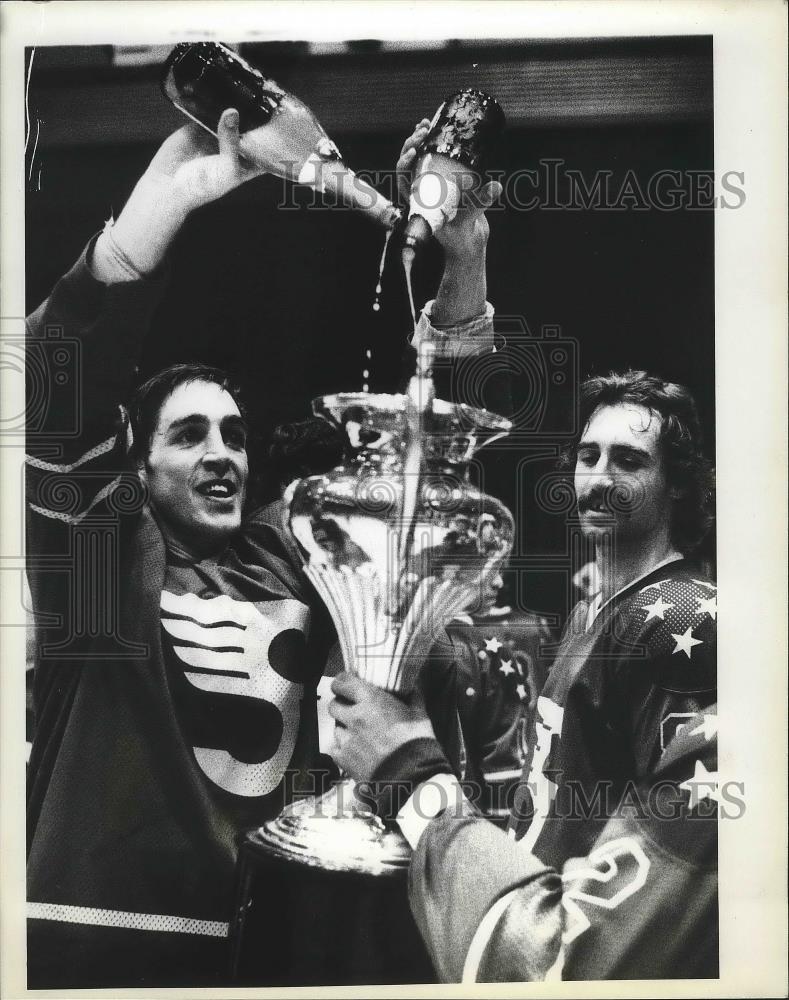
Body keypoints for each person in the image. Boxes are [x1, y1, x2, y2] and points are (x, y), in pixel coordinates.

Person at [25, 112, 504, 988]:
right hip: (97, 951)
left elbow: (432, 471)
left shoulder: (296, 554)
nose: (222, 453)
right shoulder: (97, 557)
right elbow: (55, 394)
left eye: (237, 436)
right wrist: (140, 235)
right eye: (190, 435)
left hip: (272, 953)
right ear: (136, 461)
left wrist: (463, 261)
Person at [329, 372, 717, 978]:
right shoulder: (600, 609)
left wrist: (410, 768)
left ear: (678, 486)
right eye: (589, 456)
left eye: (630, 461)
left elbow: (670, 864)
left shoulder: (677, 618)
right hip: (533, 893)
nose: (600, 479)